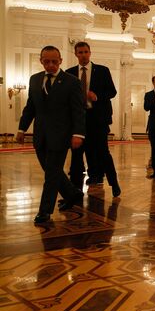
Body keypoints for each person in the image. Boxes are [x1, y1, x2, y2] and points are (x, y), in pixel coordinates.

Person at [16, 46, 86, 224]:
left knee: (51, 174)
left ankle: (44, 211)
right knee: (52, 171)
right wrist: (22, 129)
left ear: (60, 60)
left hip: (61, 136)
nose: (51, 65)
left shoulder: (71, 82)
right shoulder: (35, 80)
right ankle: (72, 194)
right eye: (46, 61)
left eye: (54, 61)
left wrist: (78, 133)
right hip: (40, 136)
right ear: (41, 61)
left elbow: (78, 111)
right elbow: (30, 107)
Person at [65, 41, 121, 197]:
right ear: (76, 54)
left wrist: (96, 96)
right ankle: (75, 190)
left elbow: (112, 92)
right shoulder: (69, 73)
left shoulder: (102, 71)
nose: (83, 55)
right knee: (76, 155)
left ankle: (114, 183)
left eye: (85, 52)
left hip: (98, 120)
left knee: (103, 152)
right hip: (78, 121)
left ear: (90, 53)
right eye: (80, 52)